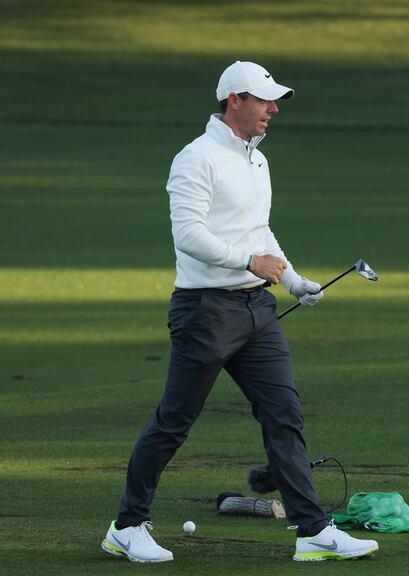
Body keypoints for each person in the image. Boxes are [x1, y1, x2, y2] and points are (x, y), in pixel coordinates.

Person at [101, 61, 379, 563]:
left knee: (284, 414)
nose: (273, 109)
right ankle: (128, 525)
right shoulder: (196, 158)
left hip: (257, 308)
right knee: (174, 422)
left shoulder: (257, 160)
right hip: (204, 310)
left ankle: (313, 530)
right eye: (264, 100)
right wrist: (250, 260)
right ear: (235, 101)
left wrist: (292, 280)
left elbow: (259, 232)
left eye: (274, 101)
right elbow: (189, 236)